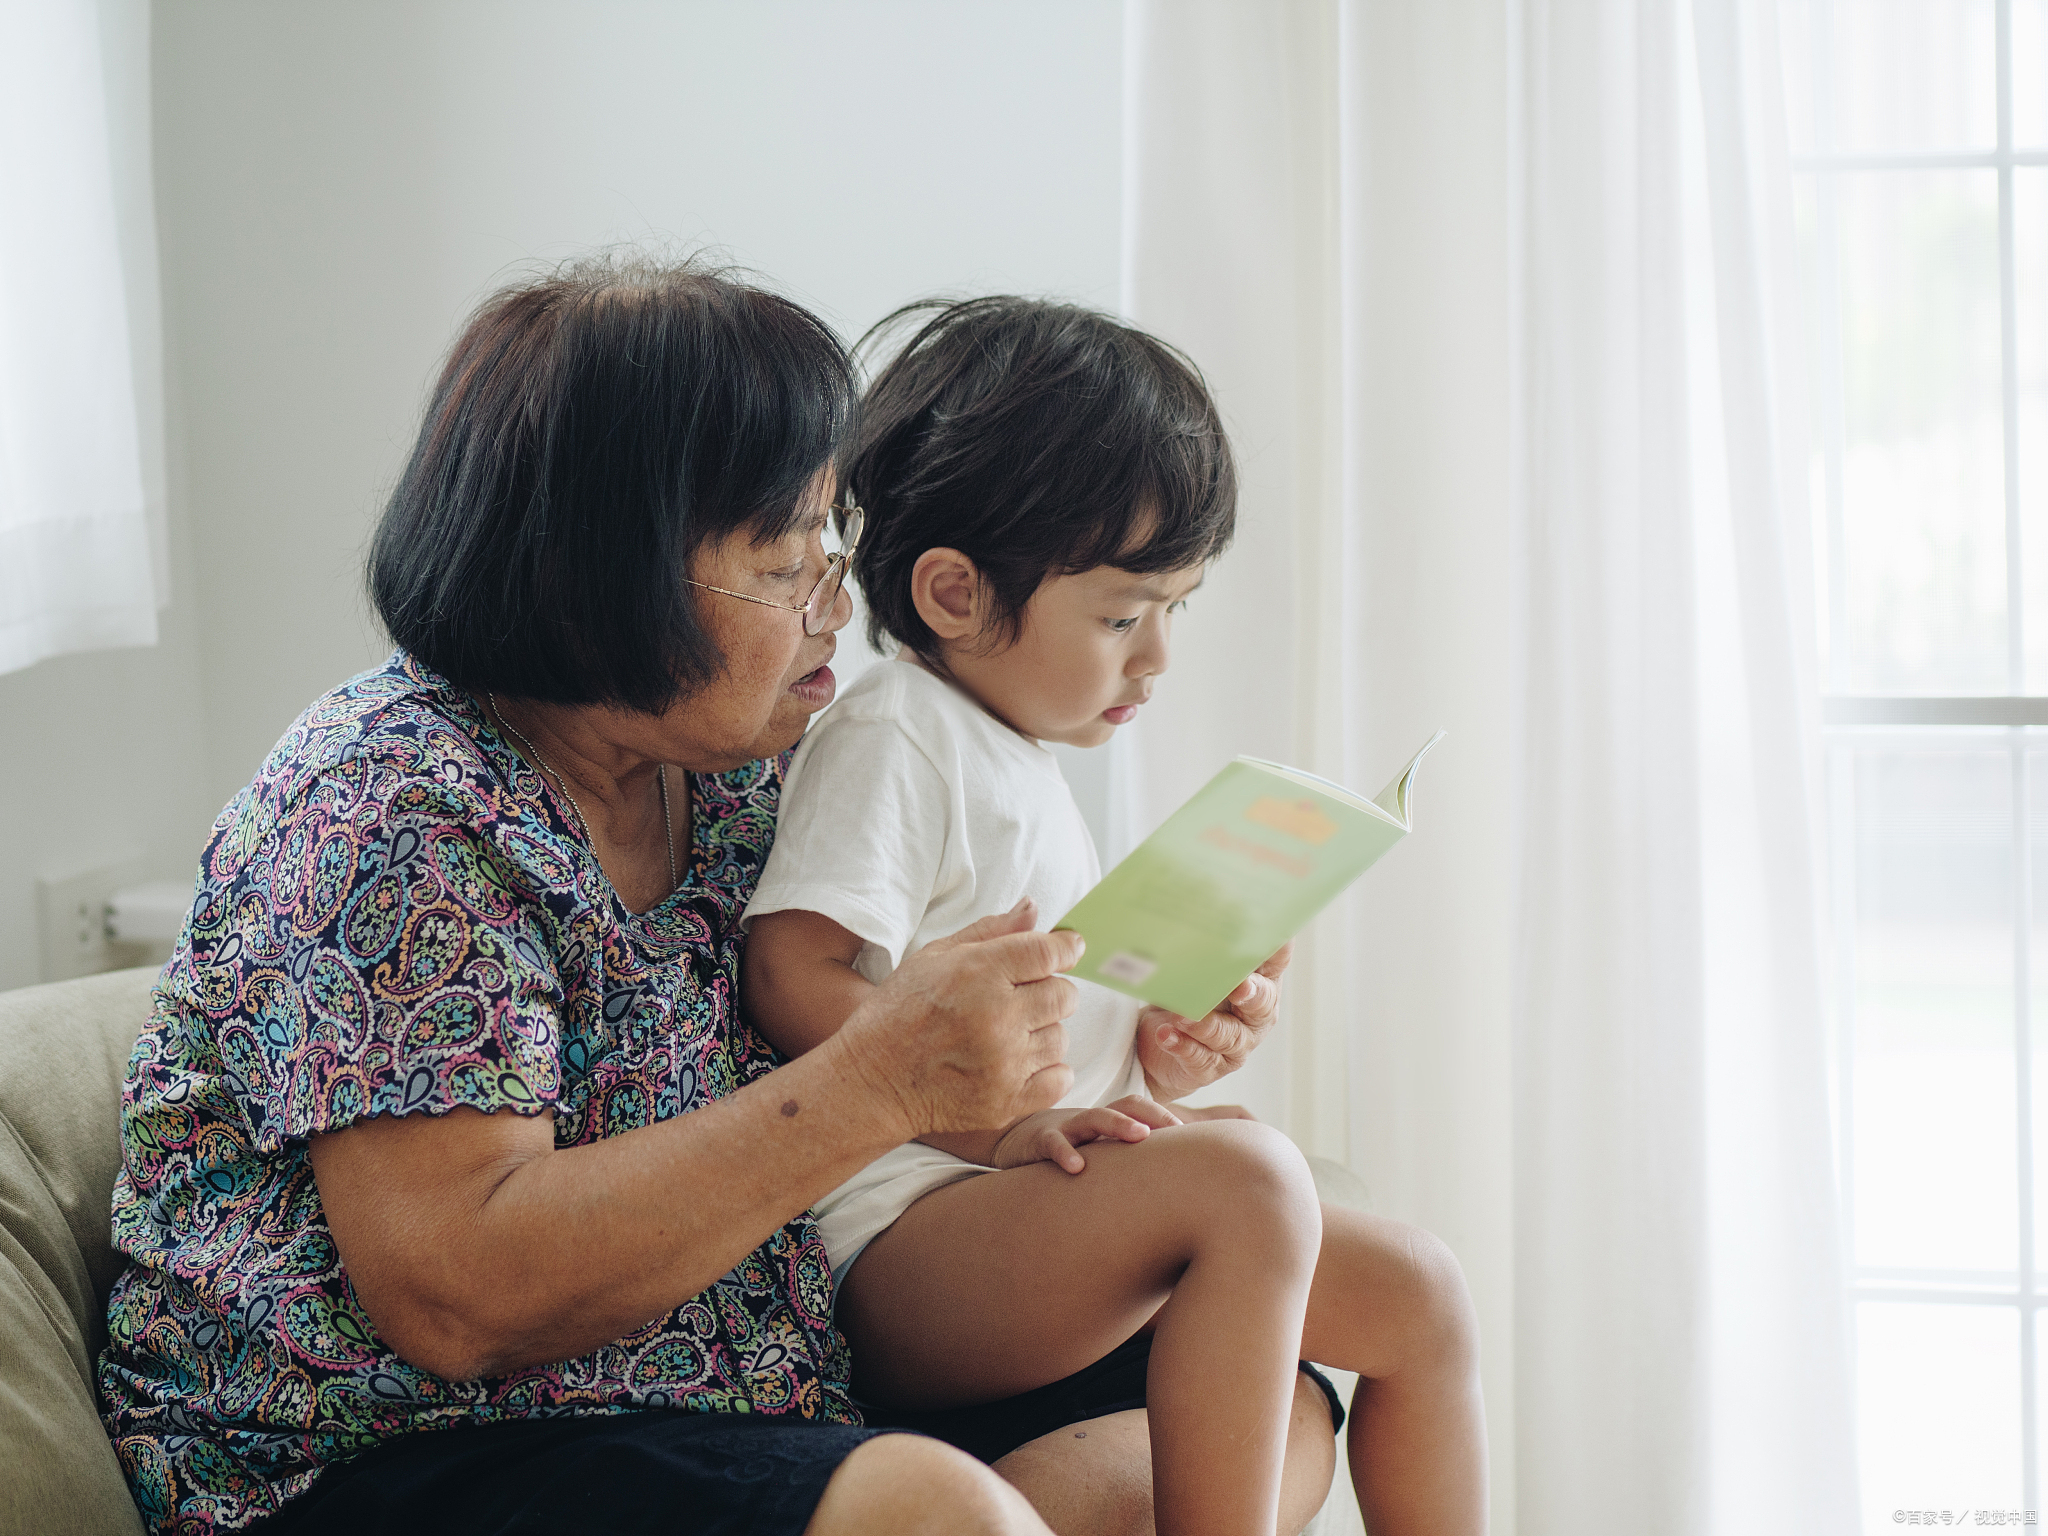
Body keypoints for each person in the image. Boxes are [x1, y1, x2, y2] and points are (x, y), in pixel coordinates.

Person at [95, 258, 1330, 1536]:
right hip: (404, 1450)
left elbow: (934, 1078)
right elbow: (457, 1298)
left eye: (830, 545)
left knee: (1276, 1396)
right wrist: (879, 1078)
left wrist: (1123, 1042)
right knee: (931, 1507)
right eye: (784, 561)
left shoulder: (753, 774)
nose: (837, 607)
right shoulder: (386, 810)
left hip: (763, 1383)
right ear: (607, 571)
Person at [744, 297, 1489, 1536]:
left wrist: (1159, 1050)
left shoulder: (1018, 758)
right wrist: (996, 1125)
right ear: (953, 594)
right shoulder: (895, 735)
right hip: (909, 1242)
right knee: (1250, 1182)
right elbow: (791, 968)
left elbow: (1050, 1048)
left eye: (1171, 614)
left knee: (1420, 1292)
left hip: (1037, 1212)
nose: (1152, 662)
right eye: (1120, 616)